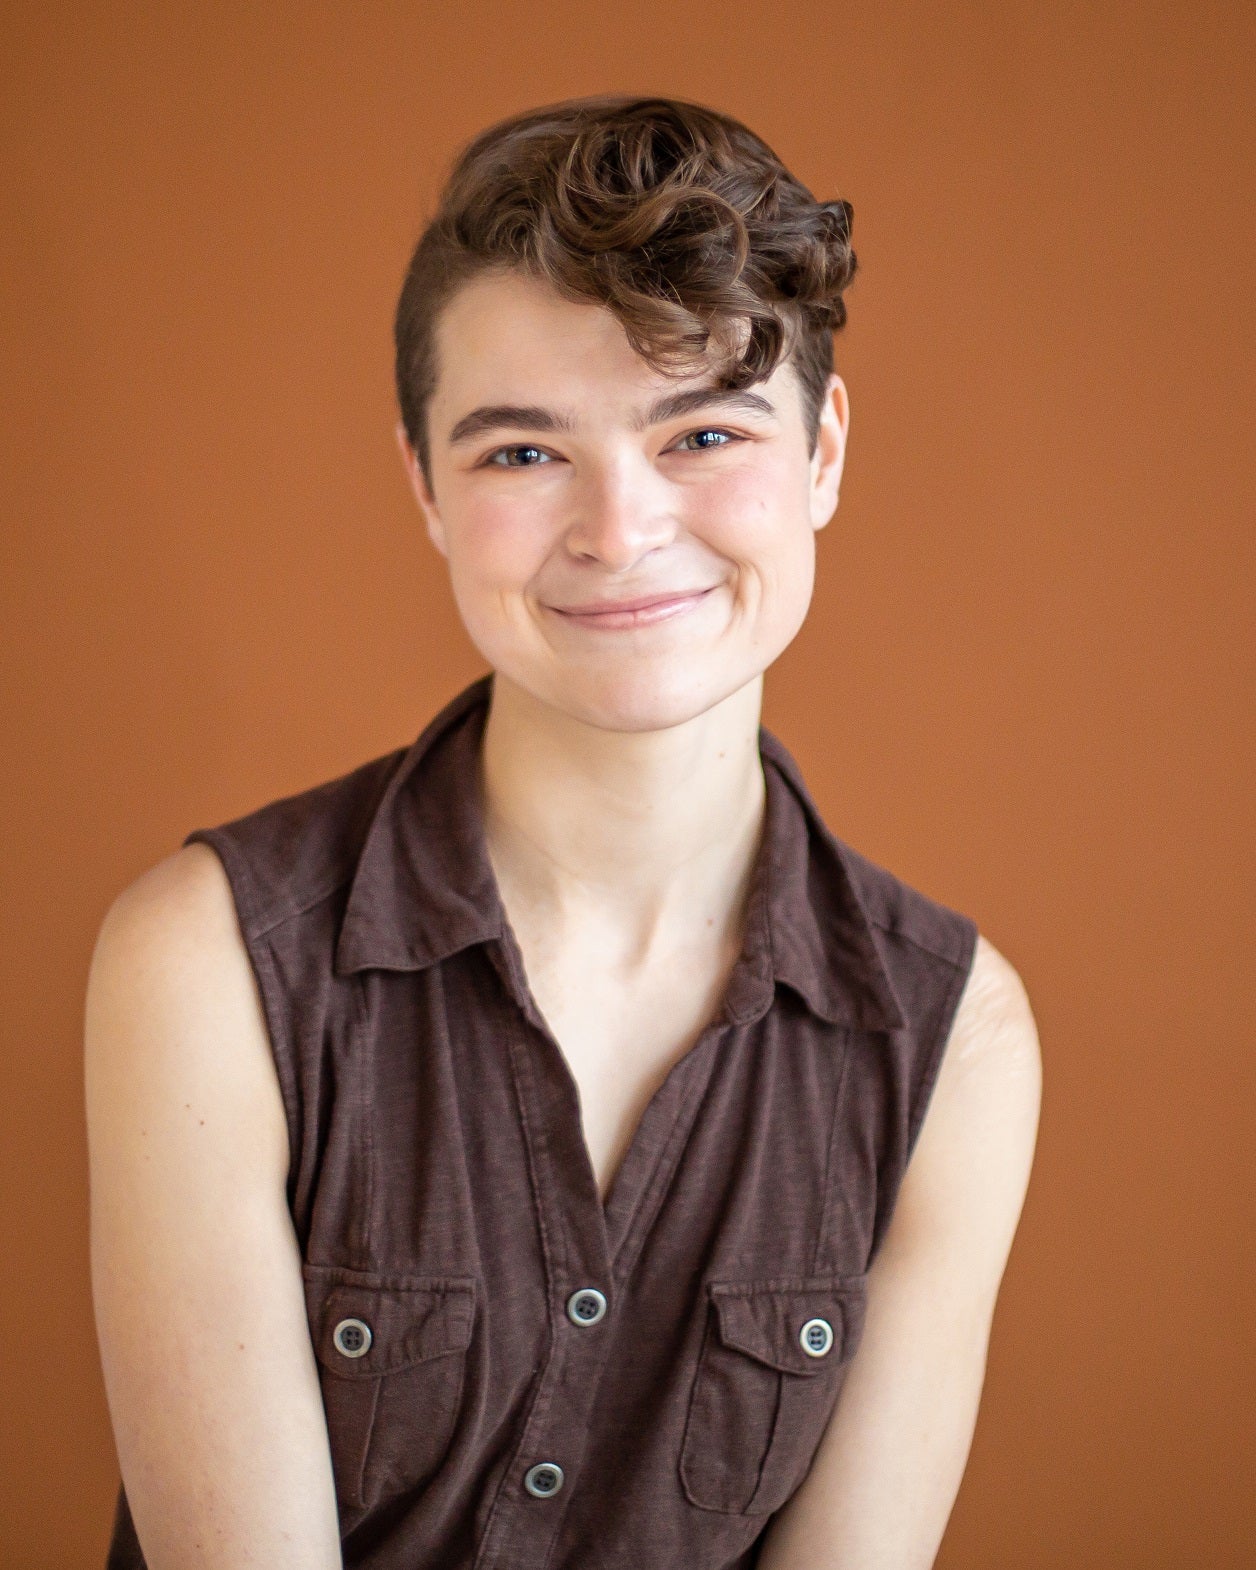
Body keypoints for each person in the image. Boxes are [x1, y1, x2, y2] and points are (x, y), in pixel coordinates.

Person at [86, 94, 1041, 1570]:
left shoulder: (953, 1040)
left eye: (704, 431)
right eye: (522, 454)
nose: (617, 526)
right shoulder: (204, 963)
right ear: (423, 485)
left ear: (825, 450)